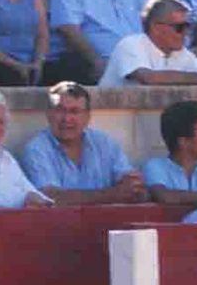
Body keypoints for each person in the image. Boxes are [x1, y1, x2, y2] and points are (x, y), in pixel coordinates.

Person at [18, 80, 147, 205]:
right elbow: (50, 197)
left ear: (87, 117)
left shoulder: (104, 143)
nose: (67, 118)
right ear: (49, 114)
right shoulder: (36, 149)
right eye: (60, 110)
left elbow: (134, 186)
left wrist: (134, 187)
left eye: (74, 111)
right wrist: (114, 194)